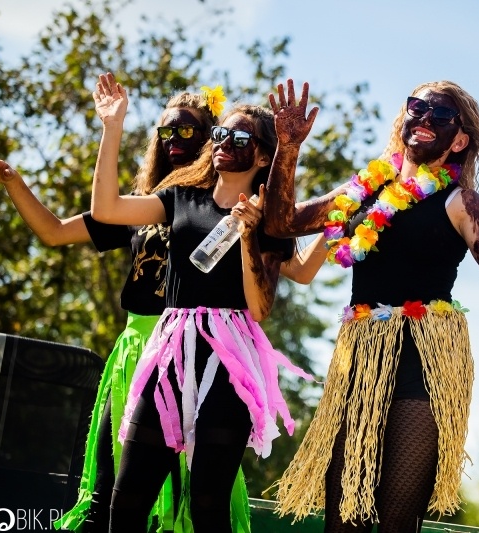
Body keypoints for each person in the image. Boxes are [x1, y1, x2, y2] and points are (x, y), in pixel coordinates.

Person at [262, 79, 479, 532]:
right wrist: (287, 148)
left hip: (425, 360)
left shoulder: (461, 202)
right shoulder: (360, 193)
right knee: (344, 519)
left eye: (441, 116)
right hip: (361, 358)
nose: (425, 119)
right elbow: (281, 222)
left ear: (459, 140)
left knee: (397, 522)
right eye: (417, 108)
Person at [0, 87, 234, 533]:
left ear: (211, 136)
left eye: (186, 128)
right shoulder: (142, 206)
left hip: (196, 356)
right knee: (114, 491)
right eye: (166, 129)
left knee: (190, 498)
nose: (174, 137)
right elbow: (53, 232)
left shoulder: (220, 205)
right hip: (136, 353)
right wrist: (15, 182)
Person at [88, 72, 313, 533]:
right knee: (126, 500)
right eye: (221, 134)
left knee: (209, 504)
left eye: (240, 137)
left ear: (264, 154)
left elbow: (259, 309)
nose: (225, 142)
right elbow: (107, 210)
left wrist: (250, 237)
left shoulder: (270, 222)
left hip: (228, 361)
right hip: (170, 352)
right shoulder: (180, 198)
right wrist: (112, 129)